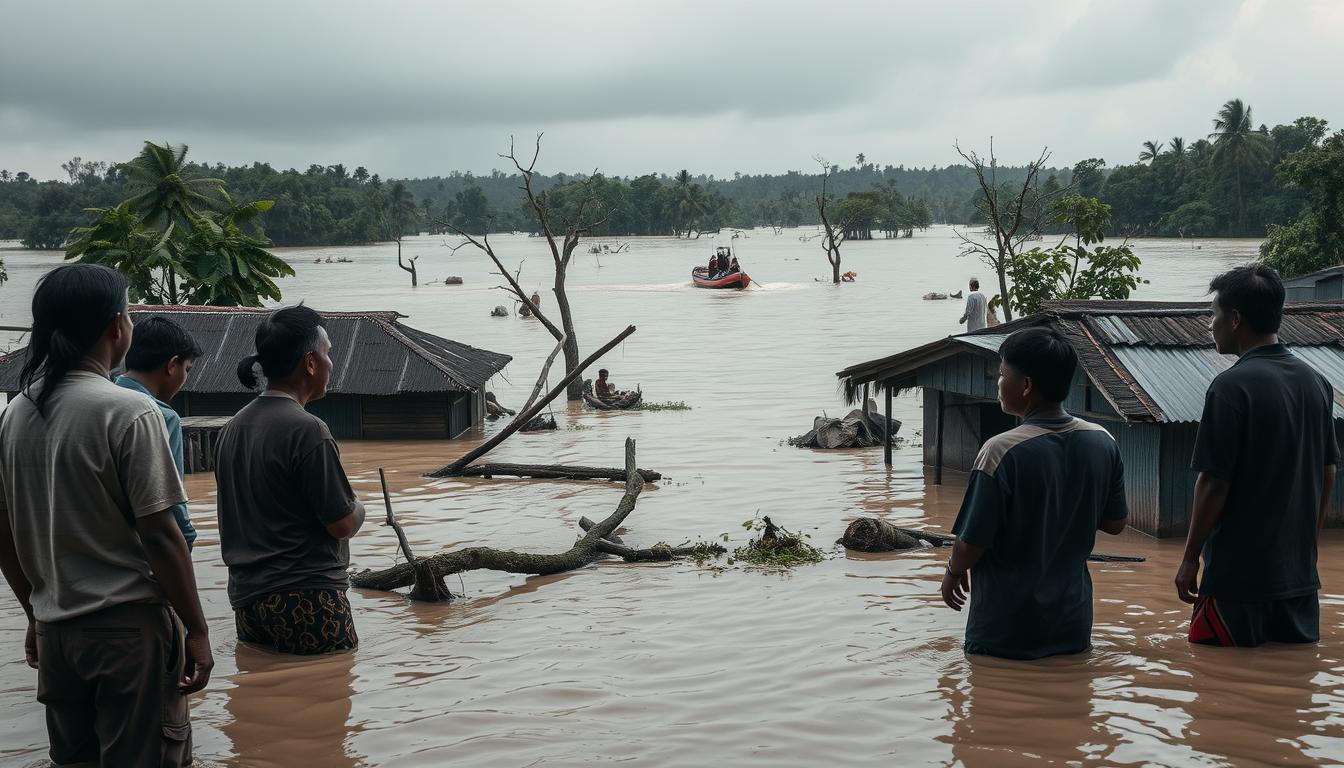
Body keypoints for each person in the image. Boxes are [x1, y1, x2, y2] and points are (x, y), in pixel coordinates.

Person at [0, 264, 211, 767]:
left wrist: (36, 610)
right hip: (128, 631)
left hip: (57, 633)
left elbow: (4, 533)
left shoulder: (16, 414)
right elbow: (162, 535)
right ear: (117, 327)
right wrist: (197, 629)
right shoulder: (129, 413)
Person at [940, 328, 1127, 660]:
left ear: (1026, 386)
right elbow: (1115, 524)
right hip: (1073, 624)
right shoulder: (1102, 441)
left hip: (1005, 631)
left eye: (1001, 376)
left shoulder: (999, 451)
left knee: (994, 706)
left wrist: (953, 572)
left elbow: (971, 543)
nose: (997, 384)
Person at [1177, 265, 1338, 646]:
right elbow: (1328, 471)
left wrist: (1188, 559)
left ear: (1234, 319)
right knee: (1292, 687)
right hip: (1299, 581)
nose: (1210, 326)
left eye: (1214, 315)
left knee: (1218, 689)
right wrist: (1308, 544)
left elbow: (1214, 481)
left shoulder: (1230, 387)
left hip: (1237, 580)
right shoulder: (1317, 383)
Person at [215, 305, 366, 654]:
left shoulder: (232, 428)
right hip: (308, 599)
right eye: (328, 354)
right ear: (310, 363)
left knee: (266, 700)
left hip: (247, 600)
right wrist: (359, 506)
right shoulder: (308, 430)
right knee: (327, 700)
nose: (331, 364)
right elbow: (341, 523)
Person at [115, 316, 203, 550]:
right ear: (172, 365)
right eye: (187, 369)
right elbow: (171, 499)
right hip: (143, 551)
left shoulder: (99, 400)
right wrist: (187, 537)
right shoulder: (162, 416)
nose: (185, 378)